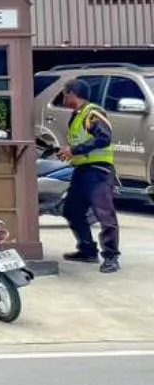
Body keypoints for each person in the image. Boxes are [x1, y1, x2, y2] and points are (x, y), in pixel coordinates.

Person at [58, 79, 121, 273]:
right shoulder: (77, 115)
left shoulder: (92, 113)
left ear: (72, 93)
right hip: (82, 170)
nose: (63, 97)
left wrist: (74, 150)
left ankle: (111, 257)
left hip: (98, 171)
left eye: (64, 93)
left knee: (104, 214)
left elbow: (104, 138)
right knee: (71, 210)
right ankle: (87, 250)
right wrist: (69, 152)